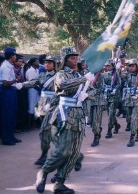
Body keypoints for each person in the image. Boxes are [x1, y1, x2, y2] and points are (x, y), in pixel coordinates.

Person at [35, 46, 95, 194]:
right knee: (63, 151)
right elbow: (63, 85)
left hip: (79, 116)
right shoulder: (62, 74)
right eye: (71, 57)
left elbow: (91, 89)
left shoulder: (79, 74)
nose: (75, 60)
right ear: (65, 60)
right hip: (65, 115)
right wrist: (83, 79)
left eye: (76, 57)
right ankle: (44, 172)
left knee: (74, 153)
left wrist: (88, 94)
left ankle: (60, 183)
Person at [0, 47, 22, 145]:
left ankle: (11, 136)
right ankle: (6, 138)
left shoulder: (9, 65)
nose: (15, 57)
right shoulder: (5, 67)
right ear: (11, 56)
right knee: (7, 115)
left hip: (11, 91)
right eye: (14, 55)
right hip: (6, 91)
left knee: (12, 114)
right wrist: (16, 80)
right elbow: (5, 83)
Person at [123, 59, 138, 147]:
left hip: (137, 101)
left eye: (133, 66)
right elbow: (119, 76)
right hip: (128, 99)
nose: (131, 67)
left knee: (134, 119)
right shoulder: (127, 75)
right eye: (130, 66)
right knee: (129, 118)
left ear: (136, 66)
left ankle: (132, 138)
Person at [26, 57, 40, 129]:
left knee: (36, 107)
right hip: (32, 90)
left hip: (36, 90)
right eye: (37, 61)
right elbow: (32, 83)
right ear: (33, 63)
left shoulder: (37, 70)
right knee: (31, 107)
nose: (38, 63)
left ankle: (34, 124)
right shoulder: (30, 71)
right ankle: (29, 125)